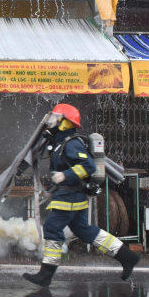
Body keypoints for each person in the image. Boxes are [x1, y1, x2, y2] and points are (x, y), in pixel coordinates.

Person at [23, 104, 140, 287]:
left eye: (56, 118)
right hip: (71, 195)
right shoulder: (61, 141)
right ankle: (127, 256)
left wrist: (65, 175)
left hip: (69, 196)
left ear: (64, 121)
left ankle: (46, 274)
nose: (52, 122)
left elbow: (88, 166)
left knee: (52, 228)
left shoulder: (71, 143)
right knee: (85, 231)